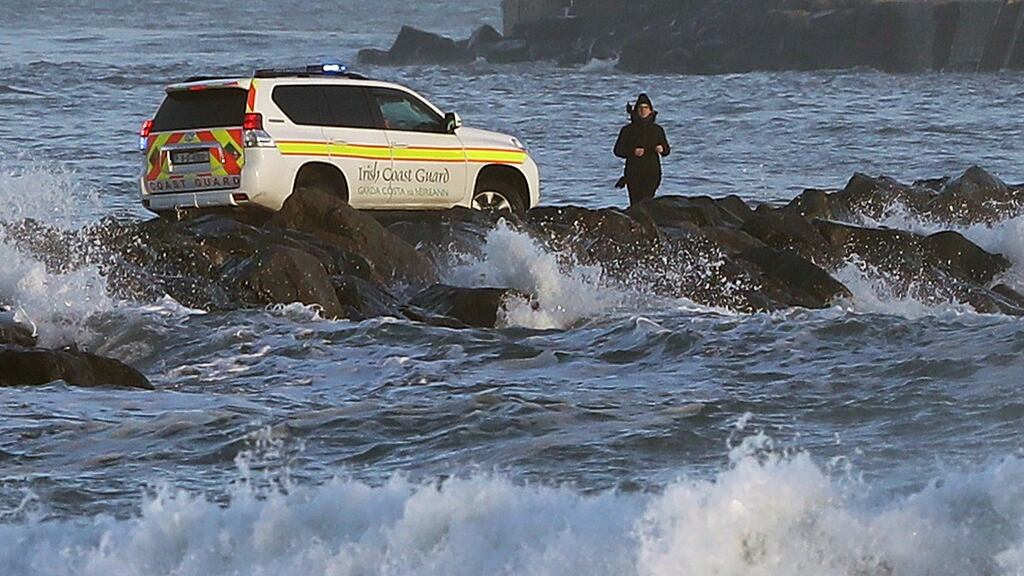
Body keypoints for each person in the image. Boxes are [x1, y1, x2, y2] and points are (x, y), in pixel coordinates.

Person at [613, 93, 670, 206]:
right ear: (635, 110)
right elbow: (617, 150)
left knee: (648, 203)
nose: (643, 110)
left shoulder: (657, 129)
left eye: (646, 108)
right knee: (635, 204)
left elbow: (667, 151)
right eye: (640, 108)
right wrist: (632, 151)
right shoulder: (627, 130)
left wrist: (662, 149)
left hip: (652, 173)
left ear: (651, 111)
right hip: (633, 173)